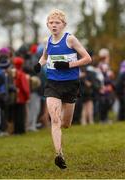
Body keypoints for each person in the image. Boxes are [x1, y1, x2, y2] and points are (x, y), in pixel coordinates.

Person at [34, 9, 92, 169]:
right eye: (51, 23)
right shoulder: (48, 42)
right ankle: (59, 154)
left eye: (57, 23)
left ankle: (62, 133)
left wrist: (68, 64)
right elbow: (45, 57)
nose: (54, 25)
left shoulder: (70, 39)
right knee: (55, 119)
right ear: (47, 25)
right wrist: (39, 64)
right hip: (53, 84)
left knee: (65, 123)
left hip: (71, 84)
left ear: (63, 25)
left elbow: (87, 58)